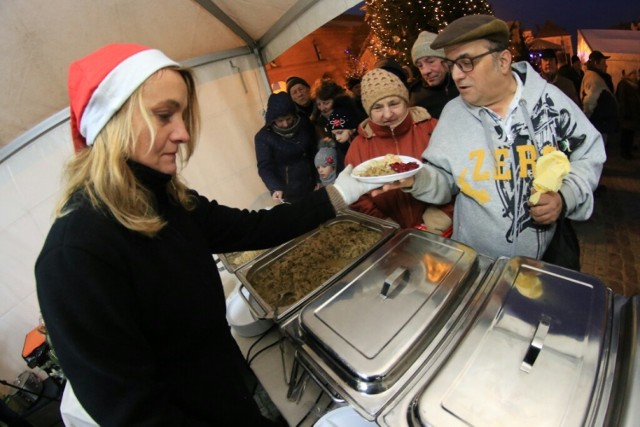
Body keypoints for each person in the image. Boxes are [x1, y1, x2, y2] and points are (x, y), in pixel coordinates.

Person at [34, 43, 379, 426]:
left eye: (182, 115)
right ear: (111, 123)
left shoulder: (168, 201)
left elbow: (256, 226)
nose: (183, 133)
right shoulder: (76, 256)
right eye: (164, 115)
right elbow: (135, 414)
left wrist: (341, 192)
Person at [378, 15, 606, 260]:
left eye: (466, 62)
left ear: (503, 61)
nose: (456, 75)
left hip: (544, 262)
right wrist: (416, 179)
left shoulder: (551, 102)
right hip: (476, 262)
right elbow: (444, 179)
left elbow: (589, 154)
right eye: (452, 64)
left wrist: (565, 197)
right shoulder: (454, 114)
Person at [345, 68, 453, 232]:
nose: (387, 114)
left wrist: (438, 219)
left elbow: (460, 176)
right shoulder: (359, 146)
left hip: (441, 232)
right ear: (368, 111)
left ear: (406, 102)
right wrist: (387, 226)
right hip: (391, 239)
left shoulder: (433, 128)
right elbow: (358, 199)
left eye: (394, 103)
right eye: (378, 107)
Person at [255, 92, 318, 203]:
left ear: (294, 114)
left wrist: (319, 177)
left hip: (313, 181)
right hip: (289, 190)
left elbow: (314, 149)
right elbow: (265, 167)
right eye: (280, 121)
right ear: (272, 120)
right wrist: (275, 187)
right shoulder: (263, 137)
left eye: (288, 119)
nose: (285, 124)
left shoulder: (304, 122)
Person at [409, 30, 460, 118]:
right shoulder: (416, 98)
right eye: (420, 66)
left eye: (430, 61)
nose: (425, 71)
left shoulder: (463, 83)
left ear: (446, 61)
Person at [581, 50, 618, 145]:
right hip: (598, 125)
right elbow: (589, 103)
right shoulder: (593, 79)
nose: (606, 66)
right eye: (603, 63)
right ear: (596, 63)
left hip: (599, 124)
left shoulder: (594, 77)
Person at [327, 104, 361, 172]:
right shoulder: (339, 148)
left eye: (340, 133)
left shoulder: (362, 144)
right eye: (334, 134)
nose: (337, 138)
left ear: (352, 129)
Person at [615, 69, 640, 158]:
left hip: (632, 114)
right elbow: (622, 99)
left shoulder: (634, 85)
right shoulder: (624, 85)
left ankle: (628, 151)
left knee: (630, 134)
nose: (635, 76)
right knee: (626, 134)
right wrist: (625, 112)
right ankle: (625, 152)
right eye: (633, 74)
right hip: (627, 114)